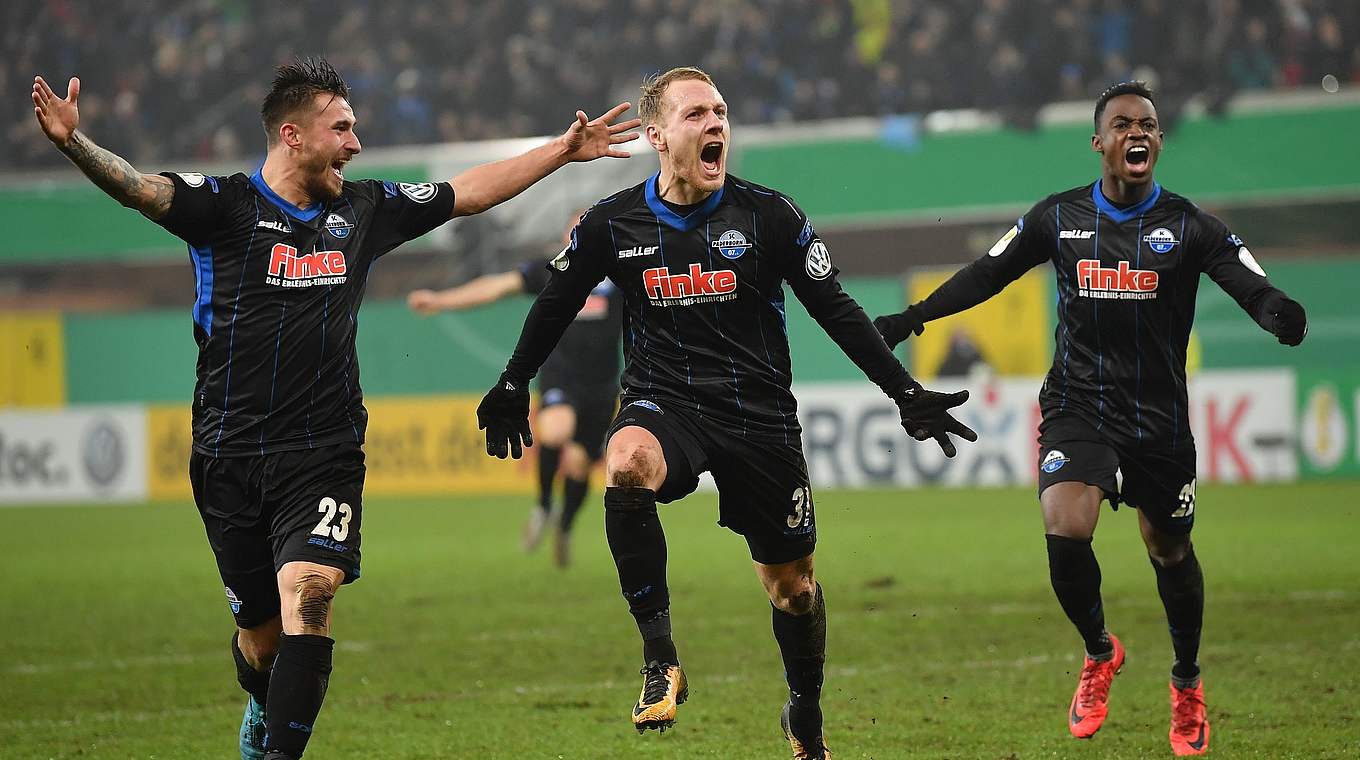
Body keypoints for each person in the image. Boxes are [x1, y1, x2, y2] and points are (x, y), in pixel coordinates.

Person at [32, 57, 639, 760]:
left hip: (324, 451)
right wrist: (75, 144)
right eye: (341, 128)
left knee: (311, 594)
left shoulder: (366, 209)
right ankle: (263, 705)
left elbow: (467, 193)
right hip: (227, 456)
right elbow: (140, 189)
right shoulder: (224, 207)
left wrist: (563, 152)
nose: (355, 144)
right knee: (261, 641)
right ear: (292, 135)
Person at [474, 66, 976, 760]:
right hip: (665, 402)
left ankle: (804, 713)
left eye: (721, 112)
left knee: (793, 589)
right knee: (625, 465)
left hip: (759, 417)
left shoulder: (771, 215)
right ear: (657, 136)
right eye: (696, 115)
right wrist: (511, 382)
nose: (716, 125)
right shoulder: (612, 224)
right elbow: (555, 302)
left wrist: (904, 392)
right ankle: (661, 659)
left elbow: (834, 309)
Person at [873, 81, 1307, 757]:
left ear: (1158, 142)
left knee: (1168, 550)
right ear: (1099, 141)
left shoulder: (1190, 225)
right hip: (1078, 406)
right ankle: (1100, 652)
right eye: (1124, 124)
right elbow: (988, 273)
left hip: (1159, 421)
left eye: (1151, 126)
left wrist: (1277, 311)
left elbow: (1244, 277)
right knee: (1064, 527)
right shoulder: (1060, 218)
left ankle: (1187, 680)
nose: (1139, 133)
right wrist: (912, 317)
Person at [408, 214, 623, 567]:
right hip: (560, 377)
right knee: (556, 430)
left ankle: (565, 526)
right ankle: (542, 505)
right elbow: (496, 286)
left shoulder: (619, 276)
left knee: (580, 468)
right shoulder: (554, 270)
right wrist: (440, 301)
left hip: (601, 387)